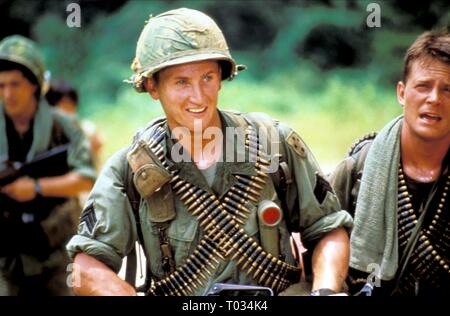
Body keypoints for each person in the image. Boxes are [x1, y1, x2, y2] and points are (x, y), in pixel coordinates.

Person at [66, 8, 352, 296]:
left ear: (221, 76)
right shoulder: (131, 167)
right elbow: (84, 269)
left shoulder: (272, 143)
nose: (199, 97)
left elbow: (328, 230)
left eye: (207, 78)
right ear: (153, 86)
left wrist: (325, 291)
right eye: (181, 82)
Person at [330, 28, 450, 296]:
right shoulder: (357, 169)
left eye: (448, 90)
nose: (434, 99)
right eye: (423, 86)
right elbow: (320, 247)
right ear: (401, 93)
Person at [0, 35, 97, 296]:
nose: (7, 94)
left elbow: (86, 178)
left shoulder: (63, 125)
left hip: (57, 251)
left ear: (34, 84)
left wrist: (36, 187)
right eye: (1, 86)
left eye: (15, 84)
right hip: (9, 257)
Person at [45, 80, 104, 172]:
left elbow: (97, 142)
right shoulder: (46, 133)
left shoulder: (86, 128)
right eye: (62, 104)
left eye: (70, 103)